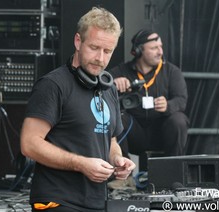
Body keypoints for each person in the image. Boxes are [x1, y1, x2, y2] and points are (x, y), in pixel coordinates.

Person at [20, 7, 136, 212]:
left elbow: (110, 140)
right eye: (94, 47)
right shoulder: (53, 85)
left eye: (107, 51)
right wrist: (81, 164)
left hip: (97, 202)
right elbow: (29, 144)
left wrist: (117, 159)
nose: (100, 58)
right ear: (77, 41)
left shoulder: (107, 89)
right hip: (56, 201)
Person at [109, 29, 189, 171]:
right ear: (138, 51)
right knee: (116, 117)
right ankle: (123, 176)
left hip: (161, 132)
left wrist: (168, 106)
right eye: (154, 48)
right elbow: (99, 91)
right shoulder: (121, 71)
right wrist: (113, 85)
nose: (160, 52)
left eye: (160, 47)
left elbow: (182, 100)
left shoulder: (171, 71)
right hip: (135, 133)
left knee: (179, 120)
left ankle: (173, 172)